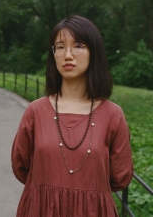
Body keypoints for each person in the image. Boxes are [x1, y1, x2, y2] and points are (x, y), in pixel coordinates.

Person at [11, 15, 133, 217]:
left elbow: (120, 176)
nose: (68, 54)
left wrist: (88, 192)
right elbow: (21, 166)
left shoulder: (112, 115)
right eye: (59, 47)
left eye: (78, 45)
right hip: (40, 210)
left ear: (94, 52)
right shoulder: (36, 112)